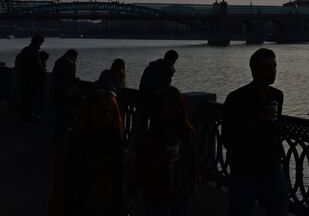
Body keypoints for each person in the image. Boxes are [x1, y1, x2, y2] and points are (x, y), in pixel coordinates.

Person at [222, 48, 288, 216]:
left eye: (274, 67)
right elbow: (228, 139)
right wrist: (255, 121)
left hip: (272, 168)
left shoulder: (277, 96)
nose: (273, 71)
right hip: (245, 171)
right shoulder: (236, 98)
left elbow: (275, 128)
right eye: (267, 67)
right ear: (253, 69)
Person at [48, 89, 127, 216]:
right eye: (102, 112)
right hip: (78, 204)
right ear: (89, 112)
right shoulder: (73, 142)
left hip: (106, 203)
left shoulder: (114, 140)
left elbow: (117, 178)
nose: (107, 117)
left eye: (111, 113)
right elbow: (61, 184)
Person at [132, 86, 199, 216]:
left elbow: (192, 161)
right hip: (158, 196)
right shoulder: (148, 138)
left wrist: (193, 183)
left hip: (181, 195)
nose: (168, 113)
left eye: (172, 108)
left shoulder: (187, 134)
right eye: (164, 109)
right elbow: (141, 169)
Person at [50, 49, 80, 143]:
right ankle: (61, 141)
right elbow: (69, 78)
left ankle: (57, 139)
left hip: (58, 94)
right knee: (65, 118)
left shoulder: (59, 62)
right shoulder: (68, 63)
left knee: (59, 119)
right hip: (66, 95)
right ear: (73, 57)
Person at [14, 35, 45, 120]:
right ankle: (27, 114)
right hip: (31, 77)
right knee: (30, 96)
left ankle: (22, 113)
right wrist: (43, 72)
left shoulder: (25, 50)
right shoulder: (34, 51)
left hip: (23, 75)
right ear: (38, 42)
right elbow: (38, 64)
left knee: (24, 95)